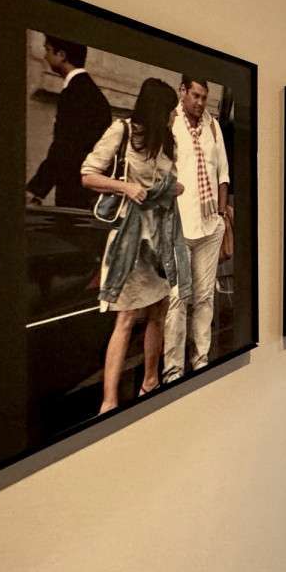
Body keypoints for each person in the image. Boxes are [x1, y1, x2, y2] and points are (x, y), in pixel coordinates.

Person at [82, 78, 189, 414]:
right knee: (126, 317)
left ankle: (150, 382)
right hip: (129, 238)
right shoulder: (123, 131)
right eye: (170, 110)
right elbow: (88, 174)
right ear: (158, 110)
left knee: (158, 311)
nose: (174, 116)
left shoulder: (167, 142)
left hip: (159, 238)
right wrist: (125, 187)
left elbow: (168, 182)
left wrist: (173, 188)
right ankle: (109, 401)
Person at [163, 75, 230, 383]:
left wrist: (220, 215)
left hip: (209, 226)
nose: (201, 102)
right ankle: (173, 371)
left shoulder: (213, 126)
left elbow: (223, 174)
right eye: (196, 96)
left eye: (205, 97)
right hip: (179, 226)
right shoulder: (171, 122)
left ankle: (200, 360)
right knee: (178, 299)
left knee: (204, 298)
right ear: (183, 92)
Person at [26, 35, 112, 209]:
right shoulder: (92, 92)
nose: (44, 56)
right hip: (90, 192)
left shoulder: (75, 93)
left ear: (62, 55)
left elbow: (64, 147)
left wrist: (36, 190)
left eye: (48, 50)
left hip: (74, 191)